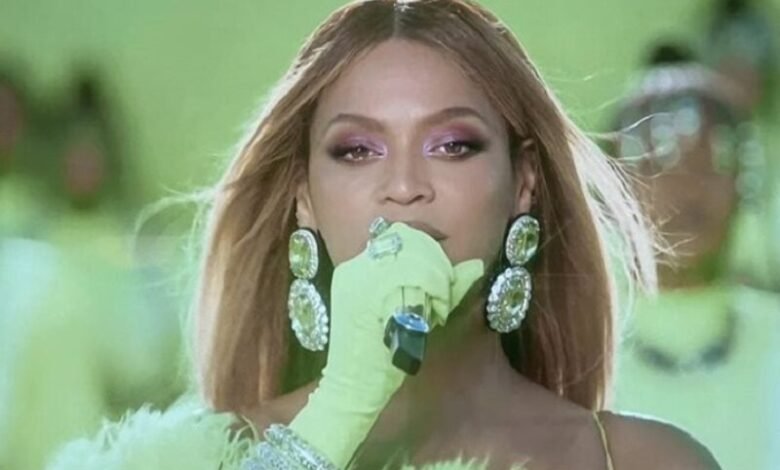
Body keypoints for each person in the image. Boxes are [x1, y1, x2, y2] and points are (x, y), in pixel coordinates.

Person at [50, 1, 722, 468]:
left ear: (524, 184)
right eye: (356, 150)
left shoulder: (646, 461)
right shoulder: (185, 458)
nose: (403, 186)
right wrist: (340, 410)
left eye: (452, 145)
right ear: (304, 200)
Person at [612, 42, 780, 470]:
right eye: (659, 162)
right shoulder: (569, 357)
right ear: (616, 187)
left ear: (744, 183)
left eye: (710, 163)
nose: (687, 186)